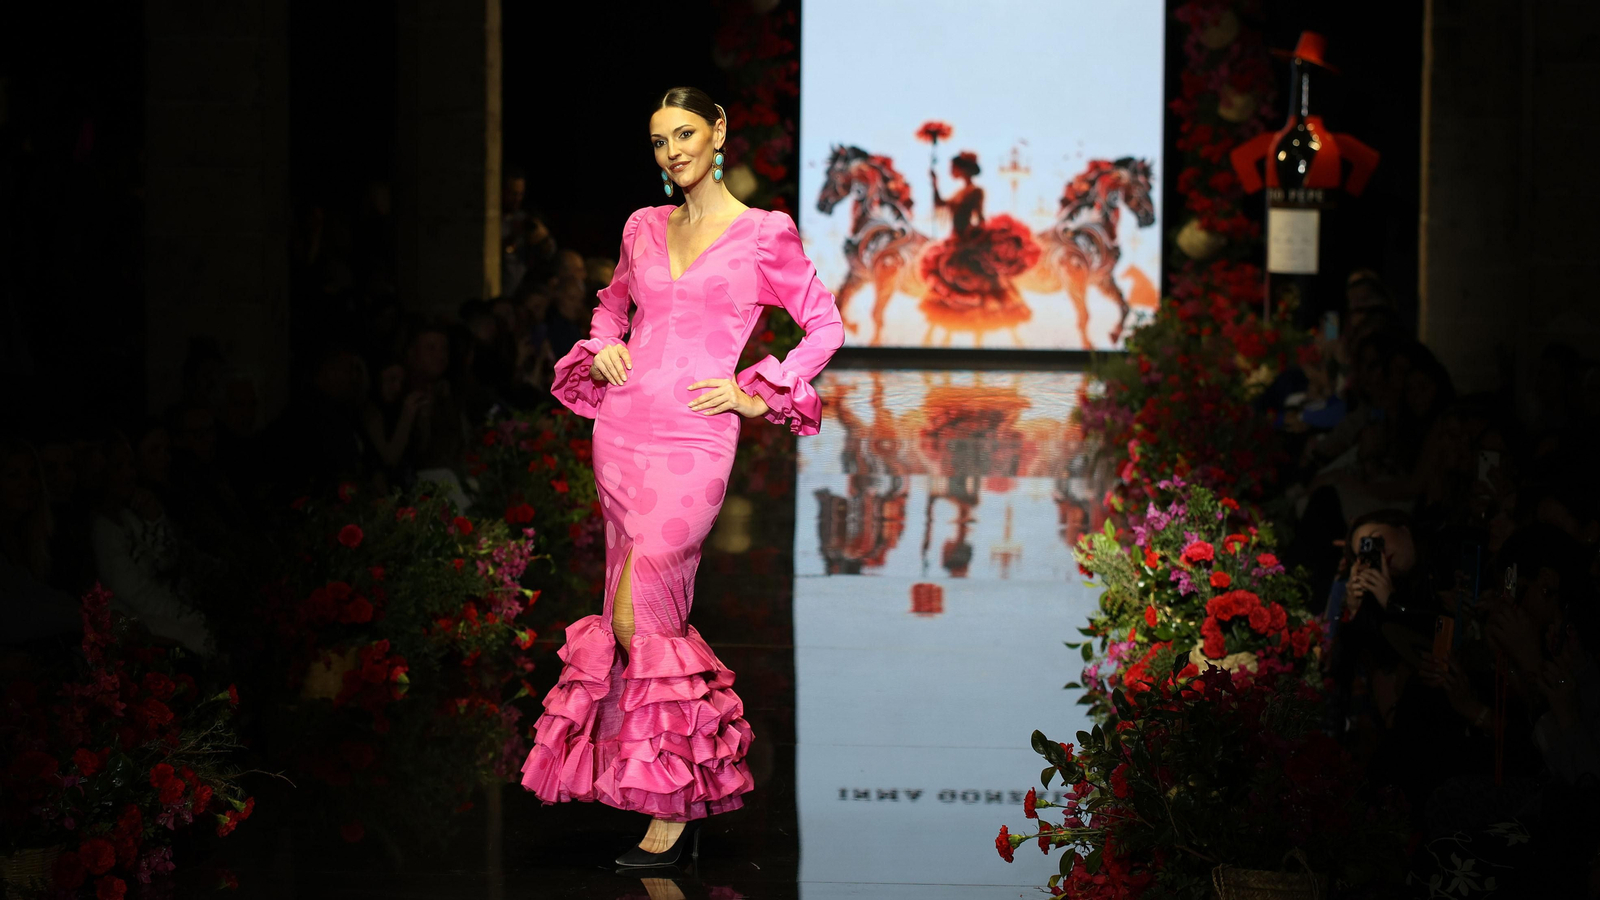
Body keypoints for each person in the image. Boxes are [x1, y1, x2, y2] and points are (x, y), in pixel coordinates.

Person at [519, 86, 844, 868]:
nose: (674, 151)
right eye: (661, 140)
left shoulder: (764, 233)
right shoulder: (642, 226)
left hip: (696, 439)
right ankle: (669, 797)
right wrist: (605, 345)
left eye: (687, 133)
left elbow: (824, 324)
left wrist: (757, 390)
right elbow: (611, 308)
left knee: (640, 617)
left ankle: (677, 791)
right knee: (628, 613)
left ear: (719, 131)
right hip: (622, 432)